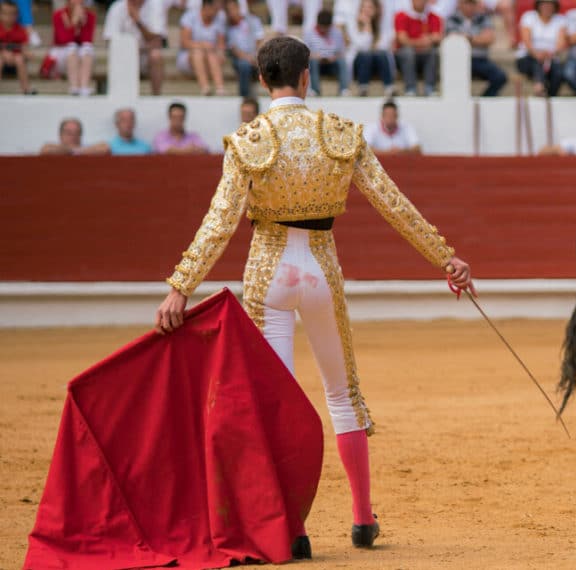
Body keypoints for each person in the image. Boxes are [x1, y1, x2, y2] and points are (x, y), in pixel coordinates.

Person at [154, 35, 471, 557]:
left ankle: (292, 529)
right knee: (343, 394)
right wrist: (446, 258)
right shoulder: (339, 134)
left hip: (268, 273)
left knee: (277, 404)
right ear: (307, 76)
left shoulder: (247, 139)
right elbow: (394, 204)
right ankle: (363, 520)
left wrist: (180, 287)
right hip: (321, 268)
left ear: (262, 80)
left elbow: (219, 222)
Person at [103, 0, 167, 95]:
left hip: (145, 55)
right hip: (123, 55)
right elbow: (110, 40)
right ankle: (122, 95)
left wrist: (138, 22)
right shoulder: (117, 7)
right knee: (122, 57)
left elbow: (157, 42)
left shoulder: (156, 5)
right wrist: (131, 50)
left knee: (156, 56)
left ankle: (156, 96)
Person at [446, 0, 505, 97]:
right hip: (458, 60)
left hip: (480, 60)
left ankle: (483, 100)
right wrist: (478, 39)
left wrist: (468, 38)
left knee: (500, 77)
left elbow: (489, 39)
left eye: (472, 3)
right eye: (467, 3)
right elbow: (452, 40)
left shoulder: (483, 18)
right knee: (454, 79)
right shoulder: (452, 18)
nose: (470, 6)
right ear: (460, 4)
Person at [516, 0, 568, 97]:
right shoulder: (529, 17)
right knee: (537, 62)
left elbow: (561, 44)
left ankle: (550, 95)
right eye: (544, 4)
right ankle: (539, 85)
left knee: (558, 73)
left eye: (549, 4)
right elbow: (526, 41)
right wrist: (537, 54)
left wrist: (549, 53)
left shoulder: (560, 20)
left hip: (550, 59)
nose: (547, 6)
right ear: (538, 5)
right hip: (527, 58)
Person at [178, 0, 227, 96]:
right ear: (206, 7)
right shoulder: (190, 16)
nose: (216, 12)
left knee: (211, 54)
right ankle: (205, 87)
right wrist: (202, 45)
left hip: (211, 57)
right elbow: (184, 42)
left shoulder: (219, 18)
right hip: (188, 57)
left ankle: (220, 88)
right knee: (198, 52)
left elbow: (221, 44)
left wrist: (220, 52)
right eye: (214, 9)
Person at [347, 0, 394, 96]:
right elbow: (362, 46)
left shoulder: (381, 25)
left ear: (376, 10)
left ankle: (389, 87)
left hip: (377, 62)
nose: (366, 10)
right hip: (359, 63)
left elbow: (384, 45)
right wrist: (367, 24)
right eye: (364, 7)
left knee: (381, 54)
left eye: (370, 7)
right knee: (366, 55)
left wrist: (373, 48)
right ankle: (363, 87)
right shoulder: (353, 25)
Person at [395, 0, 442, 96]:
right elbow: (402, 39)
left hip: (425, 54)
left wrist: (427, 40)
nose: (420, 2)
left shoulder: (434, 17)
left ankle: (430, 88)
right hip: (407, 55)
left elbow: (437, 37)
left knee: (433, 52)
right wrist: (422, 42)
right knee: (407, 53)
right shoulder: (402, 16)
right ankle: (410, 88)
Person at [52, 0, 96, 96]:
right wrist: (74, 23)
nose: (78, 6)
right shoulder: (58, 15)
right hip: (61, 53)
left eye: (80, 3)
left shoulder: (90, 16)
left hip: (79, 53)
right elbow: (63, 40)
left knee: (87, 49)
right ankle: (74, 87)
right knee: (72, 47)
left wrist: (83, 23)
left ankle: (84, 87)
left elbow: (87, 41)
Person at [304, 9, 351, 96]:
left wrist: (334, 57)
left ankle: (344, 89)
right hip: (316, 66)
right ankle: (315, 91)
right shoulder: (309, 33)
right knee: (313, 62)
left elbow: (342, 52)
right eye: (322, 27)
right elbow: (304, 53)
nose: (324, 30)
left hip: (332, 65)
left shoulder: (337, 33)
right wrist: (314, 56)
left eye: (326, 28)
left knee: (342, 61)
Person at [224, 0, 264, 97]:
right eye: (229, 10)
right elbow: (233, 49)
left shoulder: (253, 20)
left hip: (255, 56)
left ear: (239, 8)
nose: (232, 12)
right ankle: (244, 97)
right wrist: (249, 58)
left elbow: (259, 41)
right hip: (239, 58)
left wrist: (256, 57)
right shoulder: (227, 26)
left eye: (233, 9)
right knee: (244, 65)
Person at [0, 0, 34, 94]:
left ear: (17, 16)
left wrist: (27, 53)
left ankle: (26, 89)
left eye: (12, 14)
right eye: (5, 14)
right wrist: (3, 53)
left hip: (15, 60)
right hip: (2, 59)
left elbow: (24, 47)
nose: (8, 17)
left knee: (19, 59)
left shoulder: (20, 30)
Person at [39, 117, 110, 155]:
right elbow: (45, 149)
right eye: (69, 133)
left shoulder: (86, 148)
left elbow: (105, 148)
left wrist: (76, 150)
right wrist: (73, 150)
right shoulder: (54, 149)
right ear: (60, 135)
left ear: (81, 134)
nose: (73, 136)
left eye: (77, 132)